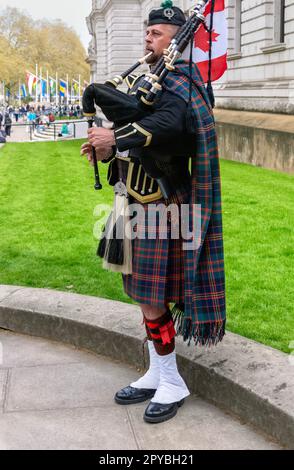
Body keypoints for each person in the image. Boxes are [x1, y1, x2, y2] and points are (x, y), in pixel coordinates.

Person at [81, 1, 226, 424]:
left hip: (160, 207)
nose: (149, 37)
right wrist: (109, 148)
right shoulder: (145, 79)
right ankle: (157, 373)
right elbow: (136, 132)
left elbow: (169, 127)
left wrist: (117, 136)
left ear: (176, 42)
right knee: (143, 297)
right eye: (148, 31)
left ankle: (172, 381)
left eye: (158, 33)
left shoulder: (181, 83)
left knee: (152, 298)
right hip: (132, 201)